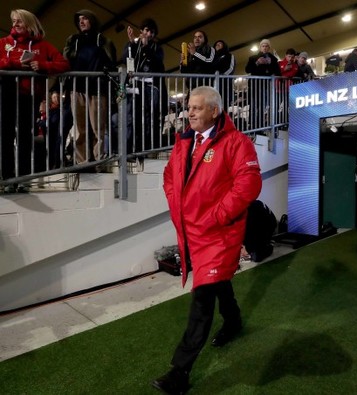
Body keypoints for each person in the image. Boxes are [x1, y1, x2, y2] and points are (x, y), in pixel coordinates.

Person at [155, 86, 262, 394]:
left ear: (215, 111)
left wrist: (217, 216)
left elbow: (249, 183)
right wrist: (178, 207)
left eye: (197, 108)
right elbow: (169, 177)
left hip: (218, 233)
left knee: (202, 296)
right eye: (189, 108)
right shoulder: (184, 142)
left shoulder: (236, 143)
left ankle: (179, 372)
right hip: (191, 231)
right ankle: (233, 320)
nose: (189, 112)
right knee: (217, 282)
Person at [0, 9, 69, 190]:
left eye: (19, 21)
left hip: (28, 97)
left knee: (24, 137)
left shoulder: (42, 46)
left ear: (29, 24)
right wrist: (13, 64)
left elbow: (63, 63)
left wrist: (43, 65)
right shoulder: (4, 43)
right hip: (6, 96)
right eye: (13, 21)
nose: (14, 25)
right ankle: (6, 178)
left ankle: (22, 178)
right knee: (5, 137)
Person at [63, 9, 117, 165]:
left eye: (85, 18)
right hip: (77, 88)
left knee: (98, 128)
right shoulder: (73, 40)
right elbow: (65, 62)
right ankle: (82, 162)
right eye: (79, 19)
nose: (81, 21)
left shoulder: (103, 40)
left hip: (98, 90)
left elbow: (111, 63)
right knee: (80, 129)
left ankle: (99, 162)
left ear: (92, 20)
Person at [122, 18, 166, 154]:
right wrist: (132, 44)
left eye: (152, 32)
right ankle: (132, 149)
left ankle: (148, 148)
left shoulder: (157, 48)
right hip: (134, 87)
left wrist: (146, 47)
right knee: (133, 117)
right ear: (141, 31)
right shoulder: (132, 45)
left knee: (149, 118)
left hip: (150, 87)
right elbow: (126, 60)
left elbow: (158, 63)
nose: (149, 34)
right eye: (147, 30)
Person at [245, 39, 280, 129]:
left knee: (262, 106)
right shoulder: (253, 58)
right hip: (254, 85)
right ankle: (252, 125)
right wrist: (257, 63)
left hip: (265, 86)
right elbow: (248, 70)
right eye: (263, 46)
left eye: (266, 46)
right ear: (260, 47)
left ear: (269, 48)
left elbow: (277, 72)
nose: (264, 48)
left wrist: (271, 65)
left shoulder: (273, 59)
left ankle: (260, 125)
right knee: (253, 106)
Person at [213, 39, 235, 111]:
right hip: (213, 85)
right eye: (216, 44)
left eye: (220, 44)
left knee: (223, 106)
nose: (218, 45)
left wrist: (222, 77)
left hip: (225, 85)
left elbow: (231, 68)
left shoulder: (229, 55)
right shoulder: (213, 57)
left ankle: (223, 121)